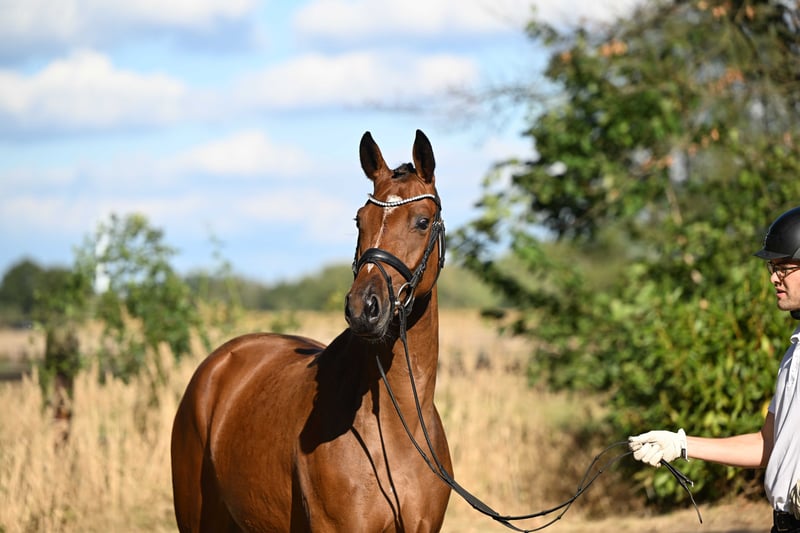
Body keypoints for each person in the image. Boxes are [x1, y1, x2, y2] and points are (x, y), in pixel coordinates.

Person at [628, 206, 800, 533]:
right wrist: (680, 444)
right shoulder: (795, 352)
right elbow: (767, 444)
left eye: (783, 267)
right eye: (771, 267)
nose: (773, 277)